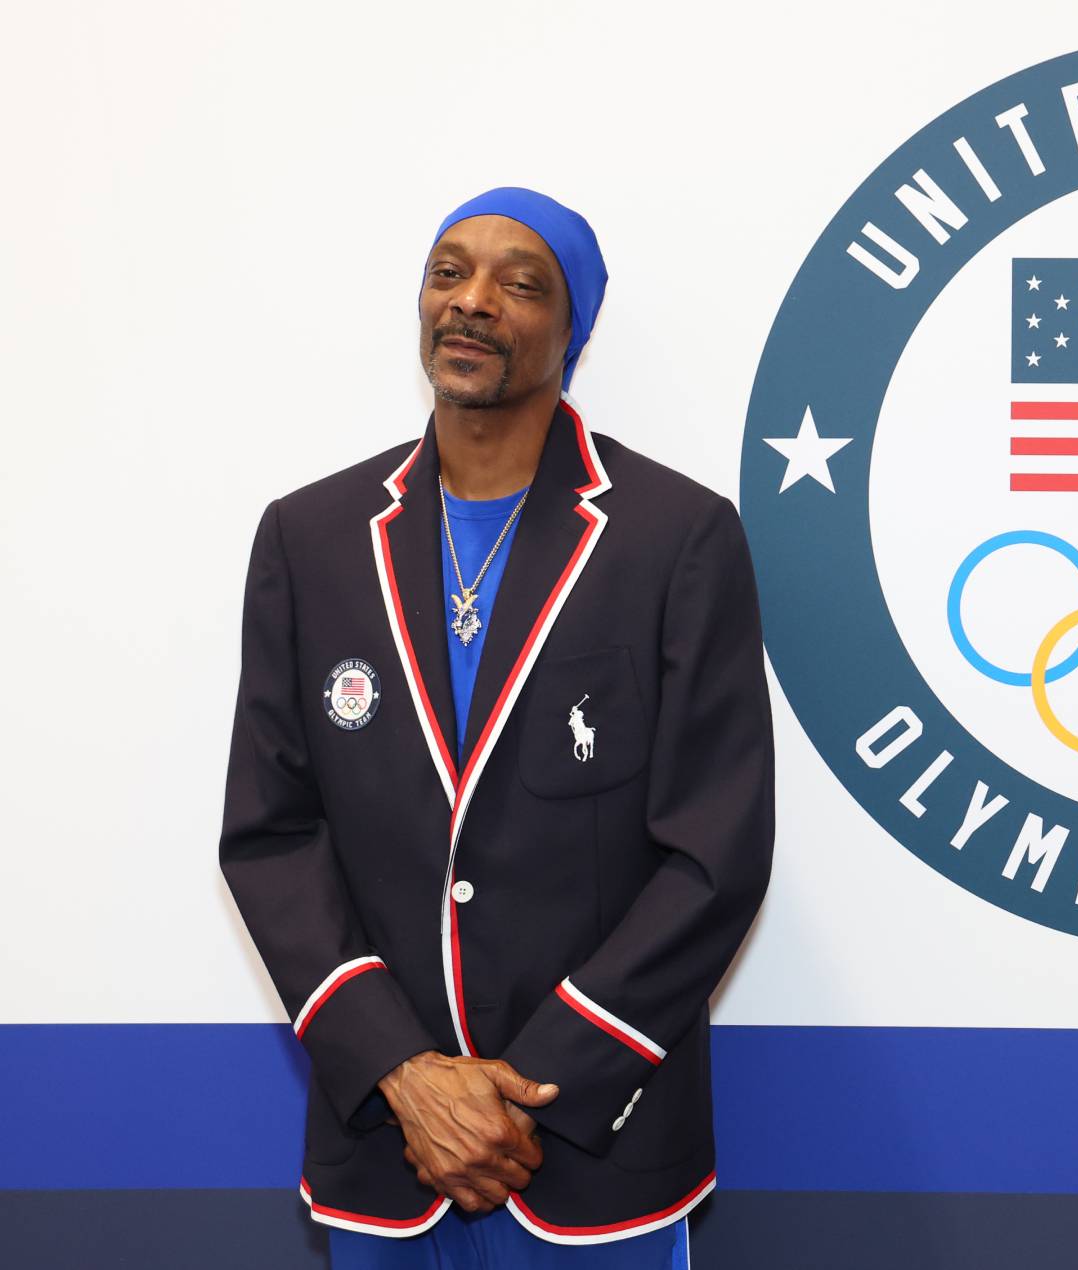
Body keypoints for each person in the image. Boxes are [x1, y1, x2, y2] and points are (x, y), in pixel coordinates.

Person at [219, 187, 775, 1264]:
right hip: (387, 1143)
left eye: (521, 283)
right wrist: (403, 1071)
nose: (473, 302)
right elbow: (271, 833)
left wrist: (528, 1092)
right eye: (447, 272)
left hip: (591, 1145)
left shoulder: (678, 536)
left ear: (574, 330)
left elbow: (715, 851)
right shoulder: (312, 536)